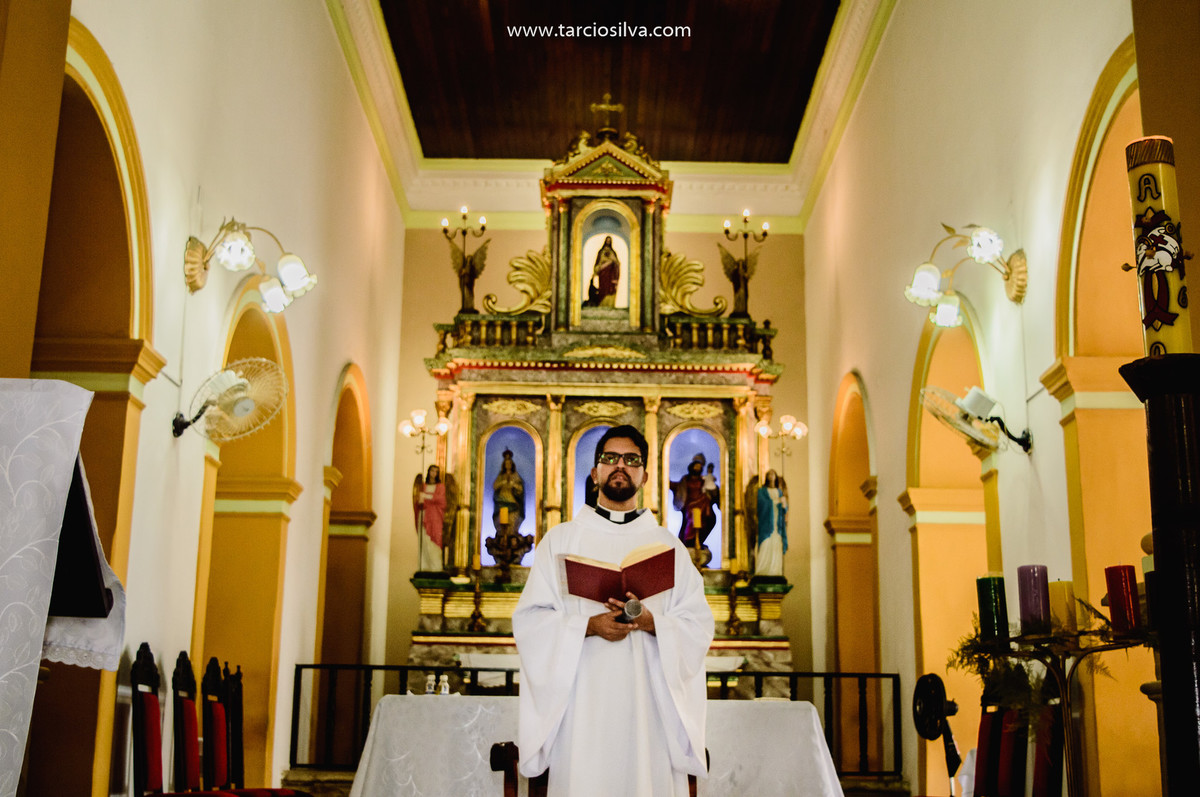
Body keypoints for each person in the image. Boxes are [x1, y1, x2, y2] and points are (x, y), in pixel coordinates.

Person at [513, 425, 713, 796]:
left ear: (644, 475)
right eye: (610, 458)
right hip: (581, 707)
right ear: (595, 472)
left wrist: (655, 623)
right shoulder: (560, 541)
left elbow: (698, 625)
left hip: (648, 710)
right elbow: (529, 621)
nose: (620, 466)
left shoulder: (668, 547)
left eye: (631, 460)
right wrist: (587, 626)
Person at [670, 454, 717, 548]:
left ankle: (698, 541)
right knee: (692, 518)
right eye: (696, 466)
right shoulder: (686, 479)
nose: (697, 468)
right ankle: (689, 541)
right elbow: (678, 487)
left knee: (710, 518)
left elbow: (710, 487)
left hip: (703, 503)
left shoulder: (702, 480)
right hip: (689, 505)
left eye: (699, 467)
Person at [413, 464, 447, 572]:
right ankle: (424, 567)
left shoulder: (440, 486)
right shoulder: (423, 486)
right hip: (423, 516)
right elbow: (418, 499)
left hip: (435, 518)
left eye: (436, 471)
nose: (434, 473)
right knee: (424, 542)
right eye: (432, 471)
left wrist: (426, 497)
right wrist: (422, 499)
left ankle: (435, 568)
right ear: (429, 472)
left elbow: (442, 501)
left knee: (434, 542)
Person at [754, 469, 788, 577]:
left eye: (773, 474)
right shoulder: (762, 491)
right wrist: (775, 501)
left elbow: (785, 510)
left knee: (776, 545)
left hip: (777, 525)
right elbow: (761, 505)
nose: (771, 476)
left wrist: (784, 505)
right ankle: (762, 570)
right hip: (766, 525)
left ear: (776, 477)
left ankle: (774, 570)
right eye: (769, 474)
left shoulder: (779, 492)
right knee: (765, 545)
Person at [491, 449, 526, 533]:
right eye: (506, 463)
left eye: (509, 463)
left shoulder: (515, 476)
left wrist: (513, 484)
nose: (508, 465)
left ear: (512, 464)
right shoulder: (501, 476)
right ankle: (503, 535)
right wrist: (503, 482)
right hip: (502, 501)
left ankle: (512, 534)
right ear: (504, 465)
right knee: (501, 524)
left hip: (512, 502)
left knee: (512, 523)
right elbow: (495, 486)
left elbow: (520, 488)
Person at [585, 235, 620, 307]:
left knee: (610, 288)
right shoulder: (601, 252)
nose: (608, 242)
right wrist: (596, 271)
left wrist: (612, 261)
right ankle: (602, 304)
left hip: (610, 274)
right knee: (603, 289)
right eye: (607, 240)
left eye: (609, 241)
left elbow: (617, 264)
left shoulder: (613, 253)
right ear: (605, 241)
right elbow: (597, 262)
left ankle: (609, 305)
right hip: (603, 274)